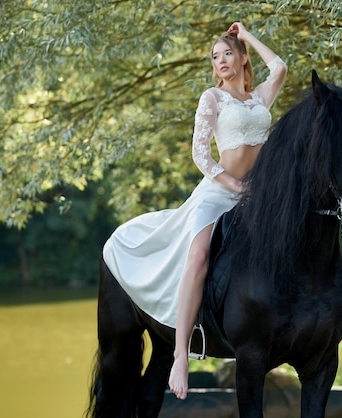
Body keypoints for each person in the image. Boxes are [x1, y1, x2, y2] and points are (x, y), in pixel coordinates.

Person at [101, 22, 287, 401]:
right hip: (218, 194)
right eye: (215, 56)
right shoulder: (212, 99)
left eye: (228, 53)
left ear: (242, 58)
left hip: (257, 198)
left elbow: (280, 68)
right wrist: (235, 186)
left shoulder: (259, 100)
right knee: (199, 257)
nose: (221, 61)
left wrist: (247, 34)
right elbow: (200, 154)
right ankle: (181, 356)